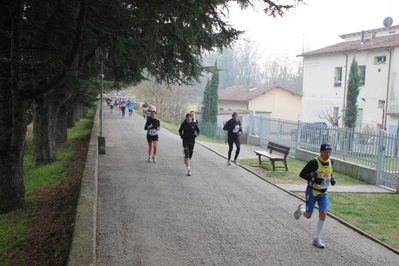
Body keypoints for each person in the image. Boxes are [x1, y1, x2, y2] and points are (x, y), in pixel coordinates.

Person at [293, 142, 336, 249]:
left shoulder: (331, 161)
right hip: (312, 192)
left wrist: (332, 179)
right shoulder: (313, 162)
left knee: (323, 213)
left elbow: (329, 172)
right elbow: (302, 174)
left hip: (323, 193)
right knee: (308, 215)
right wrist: (314, 179)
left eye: (330, 152)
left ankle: (317, 238)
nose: (328, 154)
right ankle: (301, 209)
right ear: (321, 152)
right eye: (326, 152)